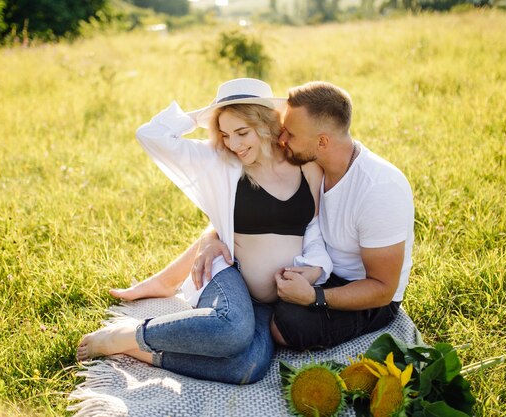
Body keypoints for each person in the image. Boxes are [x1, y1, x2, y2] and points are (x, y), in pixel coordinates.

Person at [76, 78, 332, 384]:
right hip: (228, 273)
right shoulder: (222, 160)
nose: (234, 144)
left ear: (266, 124)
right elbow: (150, 134)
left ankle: (143, 351)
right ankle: (127, 335)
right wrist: (204, 114)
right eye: (225, 134)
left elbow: (316, 228)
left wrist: (315, 269)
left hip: (274, 300)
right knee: (233, 329)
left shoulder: (306, 167)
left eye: (242, 132)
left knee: (248, 368)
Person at [186, 81, 415, 351]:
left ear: (322, 141)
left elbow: (383, 289)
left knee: (287, 326)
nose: (281, 140)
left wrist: (315, 297)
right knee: (271, 316)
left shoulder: (378, 189)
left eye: (290, 134)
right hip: (319, 273)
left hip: (365, 292)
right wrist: (211, 236)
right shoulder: (313, 164)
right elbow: (261, 214)